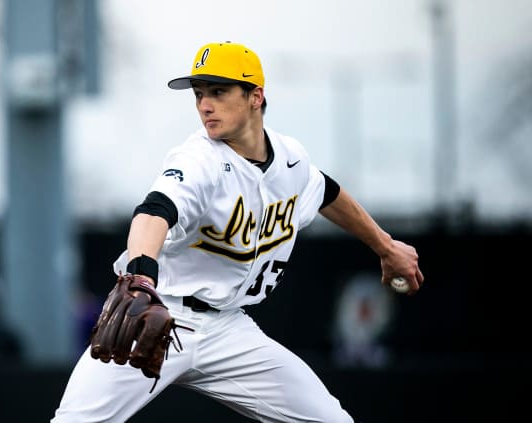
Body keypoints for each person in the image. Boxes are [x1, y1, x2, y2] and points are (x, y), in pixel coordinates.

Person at [52, 41, 424, 422]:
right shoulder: (199, 159)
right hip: (157, 315)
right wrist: (141, 277)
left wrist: (385, 246)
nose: (204, 105)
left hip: (229, 330)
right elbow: (153, 212)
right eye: (199, 94)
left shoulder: (290, 159)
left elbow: (326, 191)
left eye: (218, 91)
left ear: (255, 96)